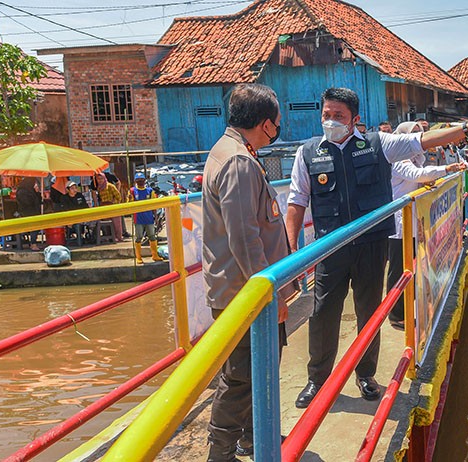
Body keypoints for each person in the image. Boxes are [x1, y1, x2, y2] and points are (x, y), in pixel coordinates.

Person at [285, 87, 468, 408]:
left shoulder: (378, 144)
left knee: (368, 312)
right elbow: (296, 202)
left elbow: (422, 142)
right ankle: (318, 379)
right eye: (326, 115)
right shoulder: (308, 153)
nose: (330, 122)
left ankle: (366, 376)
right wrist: (293, 257)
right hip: (330, 249)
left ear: (355, 120)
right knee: (322, 314)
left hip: (371, 246)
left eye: (338, 116)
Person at [201, 84, 295, 462]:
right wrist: (269, 294)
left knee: (258, 370)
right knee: (241, 378)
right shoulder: (238, 161)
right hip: (247, 295)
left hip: (244, 291)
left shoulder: (231, 152)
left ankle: (253, 439)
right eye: (277, 124)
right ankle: (220, 454)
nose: (277, 130)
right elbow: (244, 238)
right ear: (266, 123)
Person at [386, 121, 464, 330]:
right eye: (413, 134)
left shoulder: (415, 159)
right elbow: (417, 176)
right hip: (399, 223)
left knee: (409, 267)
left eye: (419, 134)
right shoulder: (398, 158)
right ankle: (396, 315)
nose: (417, 138)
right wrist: (447, 168)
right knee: (398, 270)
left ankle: (404, 309)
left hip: (411, 220)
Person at [127, 172, 164, 264]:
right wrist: (129, 198)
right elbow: (128, 204)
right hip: (138, 217)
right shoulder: (132, 191)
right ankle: (138, 257)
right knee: (139, 237)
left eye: (142, 180)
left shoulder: (150, 191)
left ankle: (155, 255)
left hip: (148, 217)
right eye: (138, 180)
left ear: (144, 180)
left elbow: (154, 204)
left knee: (152, 236)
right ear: (135, 181)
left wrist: (155, 216)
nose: (140, 182)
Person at [94, 172, 123, 242]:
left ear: (104, 178)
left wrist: (113, 204)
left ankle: (118, 237)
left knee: (116, 224)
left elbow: (118, 197)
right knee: (106, 223)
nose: (100, 180)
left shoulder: (110, 186)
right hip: (104, 207)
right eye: (98, 179)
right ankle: (110, 237)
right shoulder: (99, 188)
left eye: (101, 178)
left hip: (113, 206)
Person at [15, 177, 42, 251]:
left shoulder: (31, 191)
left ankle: (33, 242)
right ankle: (33, 244)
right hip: (26, 213)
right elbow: (27, 203)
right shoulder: (22, 192)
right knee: (34, 225)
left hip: (33, 213)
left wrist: (37, 193)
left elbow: (39, 201)